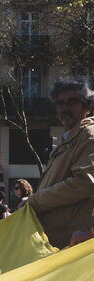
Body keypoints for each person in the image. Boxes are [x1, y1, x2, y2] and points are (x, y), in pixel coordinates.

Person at [28, 77, 94, 248]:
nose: (65, 108)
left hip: (70, 242)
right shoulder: (69, 139)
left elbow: (86, 182)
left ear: (87, 107)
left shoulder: (89, 135)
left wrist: (35, 201)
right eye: (60, 103)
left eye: (72, 102)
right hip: (58, 240)